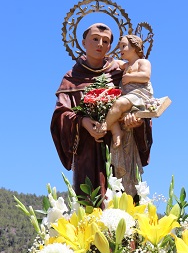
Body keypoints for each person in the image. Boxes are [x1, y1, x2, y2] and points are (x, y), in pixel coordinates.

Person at [50, 23, 153, 198]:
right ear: (83, 42)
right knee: (91, 204)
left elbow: (139, 100)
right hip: (87, 152)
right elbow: (61, 115)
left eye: (106, 41)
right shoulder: (72, 78)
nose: (100, 44)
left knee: (122, 203)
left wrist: (136, 120)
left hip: (120, 149)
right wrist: (83, 122)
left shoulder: (121, 72)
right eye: (95, 39)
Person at [98, 34, 154, 148]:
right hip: (128, 95)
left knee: (119, 104)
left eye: (124, 46)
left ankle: (103, 127)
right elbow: (115, 62)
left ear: (134, 47)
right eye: (119, 47)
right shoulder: (126, 65)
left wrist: (131, 77)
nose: (120, 50)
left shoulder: (142, 62)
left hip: (139, 94)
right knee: (112, 108)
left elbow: (146, 76)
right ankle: (116, 131)